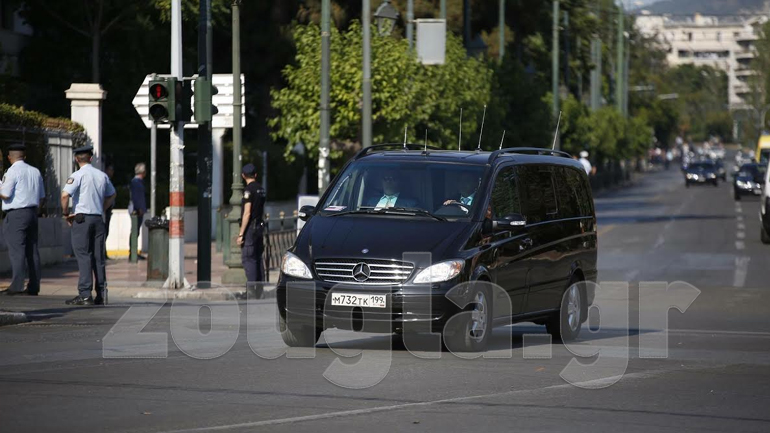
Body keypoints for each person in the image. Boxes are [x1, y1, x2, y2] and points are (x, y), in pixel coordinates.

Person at [61, 145, 116, 306]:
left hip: (82, 220)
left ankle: (85, 294)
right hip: (98, 219)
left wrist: (66, 214)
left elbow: (65, 196)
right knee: (98, 257)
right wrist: (102, 208)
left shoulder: (77, 175)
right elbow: (112, 194)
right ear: (91, 158)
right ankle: (101, 293)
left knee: (83, 255)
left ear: (76, 159)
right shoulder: (102, 175)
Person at [0, 143, 45, 296]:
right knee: (32, 250)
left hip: (16, 214)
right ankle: (34, 285)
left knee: (17, 251)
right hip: (32, 212)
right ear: (24, 156)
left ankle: (17, 285)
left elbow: (5, 194)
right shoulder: (35, 171)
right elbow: (42, 197)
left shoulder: (12, 172)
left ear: (9, 157)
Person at [236, 164, 266, 297]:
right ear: (255, 175)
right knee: (258, 257)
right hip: (259, 227)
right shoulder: (261, 189)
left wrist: (241, 234)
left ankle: (251, 291)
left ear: (243, 176)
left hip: (251, 229)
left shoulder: (248, 191)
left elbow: (247, 213)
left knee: (249, 258)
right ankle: (260, 290)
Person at [128, 162, 147, 261]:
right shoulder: (136, 182)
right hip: (136, 210)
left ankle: (133, 252)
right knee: (135, 231)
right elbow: (136, 197)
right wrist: (139, 208)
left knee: (136, 231)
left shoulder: (138, 182)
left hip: (138, 209)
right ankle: (132, 253)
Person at [104, 164, 114, 255]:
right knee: (104, 231)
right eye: (110, 170)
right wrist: (105, 208)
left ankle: (104, 251)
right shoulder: (105, 179)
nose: (112, 172)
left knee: (106, 231)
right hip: (105, 210)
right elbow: (113, 194)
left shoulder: (107, 180)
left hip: (107, 209)